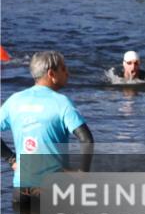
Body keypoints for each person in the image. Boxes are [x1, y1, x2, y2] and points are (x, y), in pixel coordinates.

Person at [0, 51, 94, 205]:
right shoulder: (62, 102)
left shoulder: (14, 100)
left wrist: (11, 160)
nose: (68, 73)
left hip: (21, 188)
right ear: (51, 73)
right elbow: (87, 139)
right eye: (63, 69)